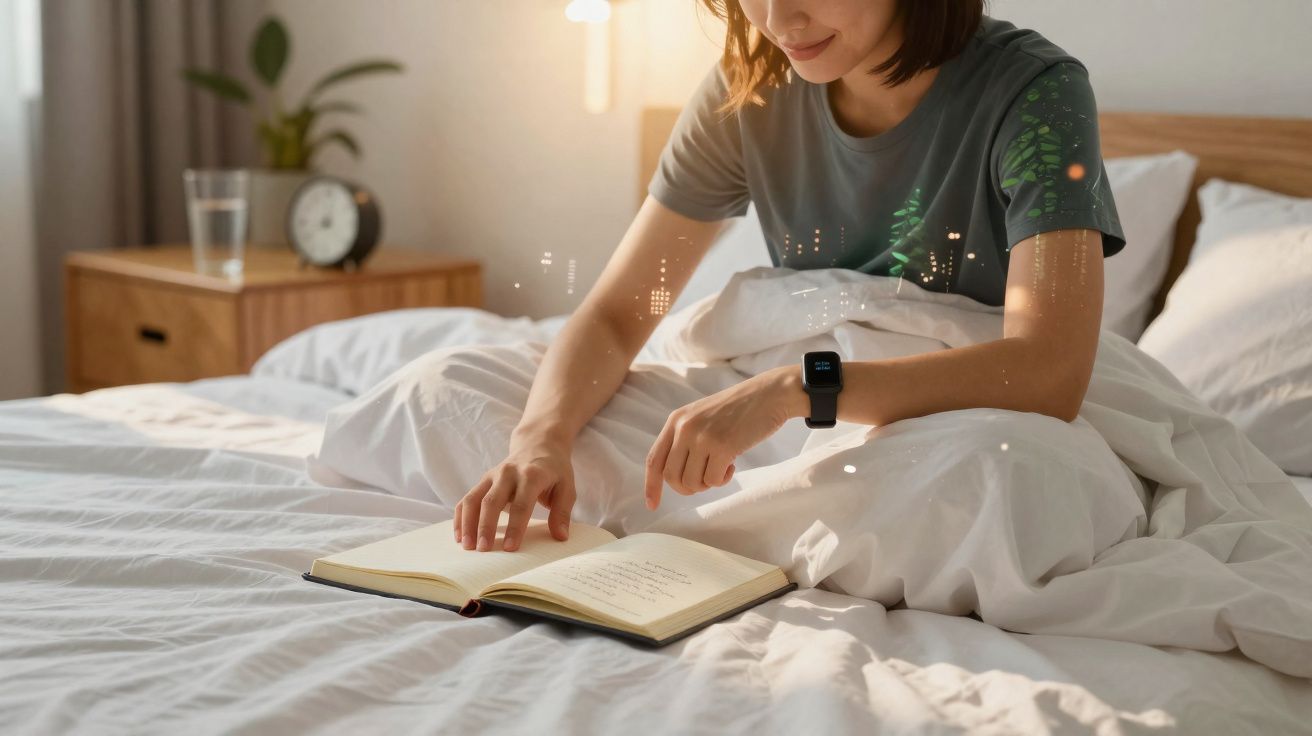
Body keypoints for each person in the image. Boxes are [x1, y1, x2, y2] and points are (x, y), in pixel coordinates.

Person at [455, 0, 1124, 553]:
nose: (778, 18)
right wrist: (539, 440)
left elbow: (1049, 371)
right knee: (465, 391)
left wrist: (799, 388)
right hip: (788, 408)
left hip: (940, 409)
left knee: (990, 480)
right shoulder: (748, 86)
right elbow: (624, 313)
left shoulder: (1037, 95)